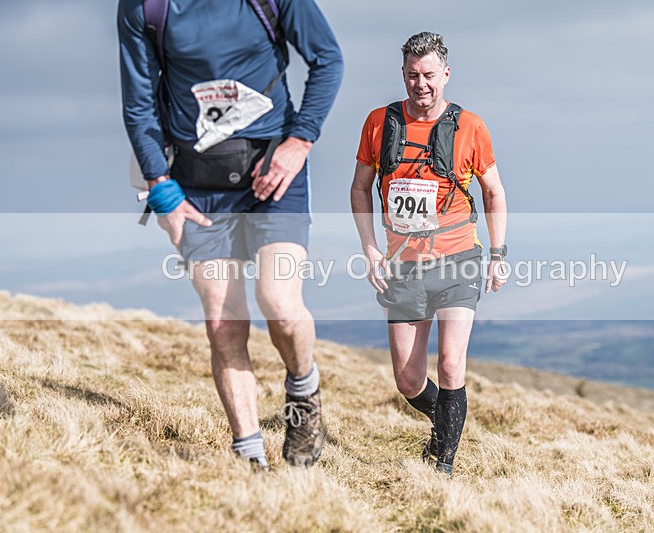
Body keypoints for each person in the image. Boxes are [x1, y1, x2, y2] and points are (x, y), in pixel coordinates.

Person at [117, 0, 343, 470]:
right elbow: (138, 103)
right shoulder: (146, 7)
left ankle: (302, 389)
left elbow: (327, 59)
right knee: (223, 322)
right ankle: (250, 459)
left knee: (279, 303)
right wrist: (161, 187)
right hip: (195, 186)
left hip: (274, 173)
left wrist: (299, 142)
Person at [350, 32, 507, 476]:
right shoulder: (378, 123)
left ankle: (444, 466)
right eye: (413, 75)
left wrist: (498, 254)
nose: (421, 84)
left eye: (430, 75)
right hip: (402, 265)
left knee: (451, 361)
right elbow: (360, 187)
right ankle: (446, 422)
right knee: (408, 380)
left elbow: (493, 192)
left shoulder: (471, 127)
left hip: (459, 260)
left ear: (446, 75)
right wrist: (369, 249)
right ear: (403, 74)